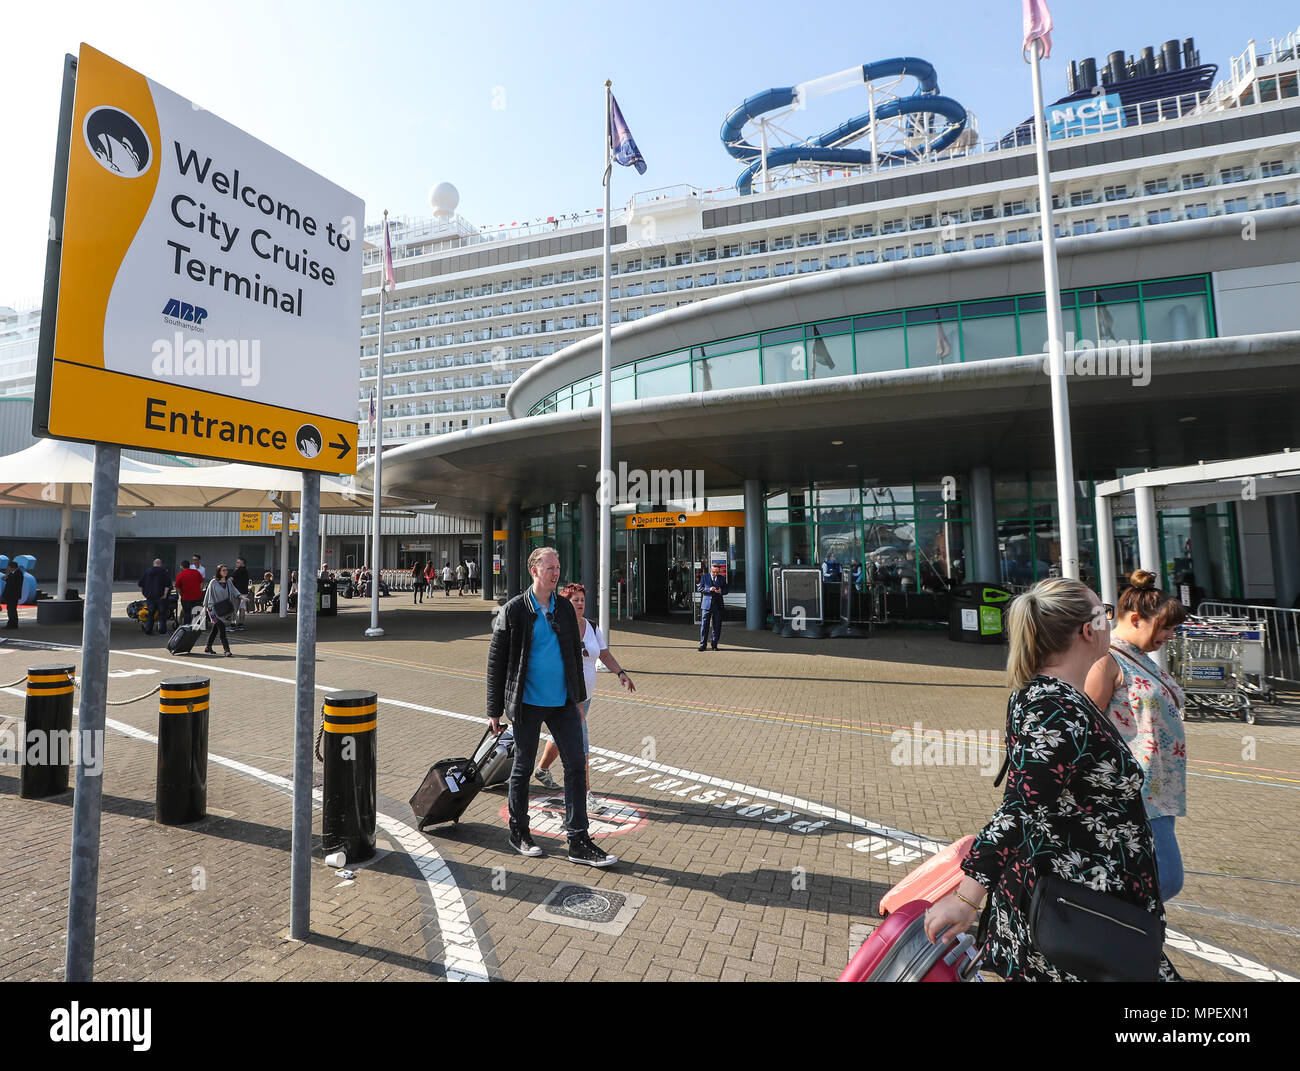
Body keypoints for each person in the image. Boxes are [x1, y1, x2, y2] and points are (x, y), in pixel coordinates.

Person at [924, 578, 1179, 981]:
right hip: (1072, 907)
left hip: (1083, 902)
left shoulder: (1059, 698)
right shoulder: (1054, 706)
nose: (1110, 620)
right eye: (1105, 612)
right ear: (1087, 629)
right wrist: (966, 898)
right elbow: (1024, 806)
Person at [486, 547, 616, 868]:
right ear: (534, 571)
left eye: (558, 567)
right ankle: (519, 832)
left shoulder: (563, 608)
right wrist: (493, 710)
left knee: (574, 765)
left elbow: (574, 655)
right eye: (549, 568)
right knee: (523, 768)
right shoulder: (514, 610)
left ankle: (578, 839)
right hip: (528, 703)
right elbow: (496, 662)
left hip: (563, 703)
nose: (555, 573)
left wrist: (578, 700)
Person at [1085, 570, 1190, 902]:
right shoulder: (1106, 660)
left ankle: (1125, 936)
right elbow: (1086, 724)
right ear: (1136, 619)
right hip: (1133, 792)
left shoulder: (1141, 658)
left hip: (1159, 789)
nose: (1171, 635)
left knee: (1154, 878)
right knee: (1166, 879)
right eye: (1165, 627)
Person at [534, 582, 635, 811]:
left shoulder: (592, 627)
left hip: (586, 696)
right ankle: (585, 795)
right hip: (567, 697)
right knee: (581, 745)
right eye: (574, 600)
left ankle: (541, 770)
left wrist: (620, 672)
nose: (579, 604)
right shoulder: (557, 627)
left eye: (582, 600)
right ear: (565, 603)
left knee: (560, 736)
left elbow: (605, 653)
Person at [203, 564, 237, 657]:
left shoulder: (228, 582)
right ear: (219, 572)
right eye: (223, 570)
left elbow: (234, 591)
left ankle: (208, 647)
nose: (225, 571)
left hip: (223, 609)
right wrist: (206, 607)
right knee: (222, 629)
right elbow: (208, 595)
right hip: (213, 610)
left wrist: (242, 597)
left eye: (226, 570)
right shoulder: (213, 582)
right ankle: (227, 650)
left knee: (215, 630)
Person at [697, 561, 728, 651]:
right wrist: (708, 589)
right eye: (714, 572)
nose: (715, 574)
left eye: (717, 572)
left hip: (718, 605)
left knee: (717, 626)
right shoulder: (704, 577)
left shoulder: (722, 578)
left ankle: (714, 644)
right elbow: (699, 588)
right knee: (704, 626)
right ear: (711, 569)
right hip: (706, 605)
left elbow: (726, 590)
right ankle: (703, 644)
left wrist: (721, 591)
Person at [138, 557, 172, 636]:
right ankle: (162, 631)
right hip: (160, 597)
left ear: (154, 564)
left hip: (150, 597)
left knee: (150, 613)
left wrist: (144, 593)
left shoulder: (147, 571)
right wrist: (164, 595)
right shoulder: (164, 572)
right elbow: (167, 586)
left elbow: (141, 584)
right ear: (160, 564)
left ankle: (148, 630)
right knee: (162, 614)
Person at [174, 560, 205, 630]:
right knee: (197, 612)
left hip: (186, 597)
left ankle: (187, 627)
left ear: (182, 566)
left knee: (187, 613)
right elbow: (202, 582)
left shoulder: (180, 574)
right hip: (197, 596)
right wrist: (200, 590)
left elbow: (177, 587)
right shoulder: (196, 572)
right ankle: (198, 627)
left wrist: (181, 594)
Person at [231, 557, 251, 631]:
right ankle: (241, 624)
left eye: (238, 562)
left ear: (242, 563)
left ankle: (233, 625)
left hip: (237, 593)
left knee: (234, 609)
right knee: (242, 609)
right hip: (244, 592)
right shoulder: (246, 570)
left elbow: (231, 579)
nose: (236, 564)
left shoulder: (238, 570)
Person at [2, 562, 23, 630]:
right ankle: (12, 623)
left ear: (12, 567)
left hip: (13, 595)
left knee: (12, 610)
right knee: (11, 609)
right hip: (11, 595)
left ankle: (12, 624)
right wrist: (6, 578)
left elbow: (13, 583)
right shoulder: (13, 573)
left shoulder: (18, 573)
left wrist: (7, 579)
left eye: (9, 567)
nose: (8, 569)